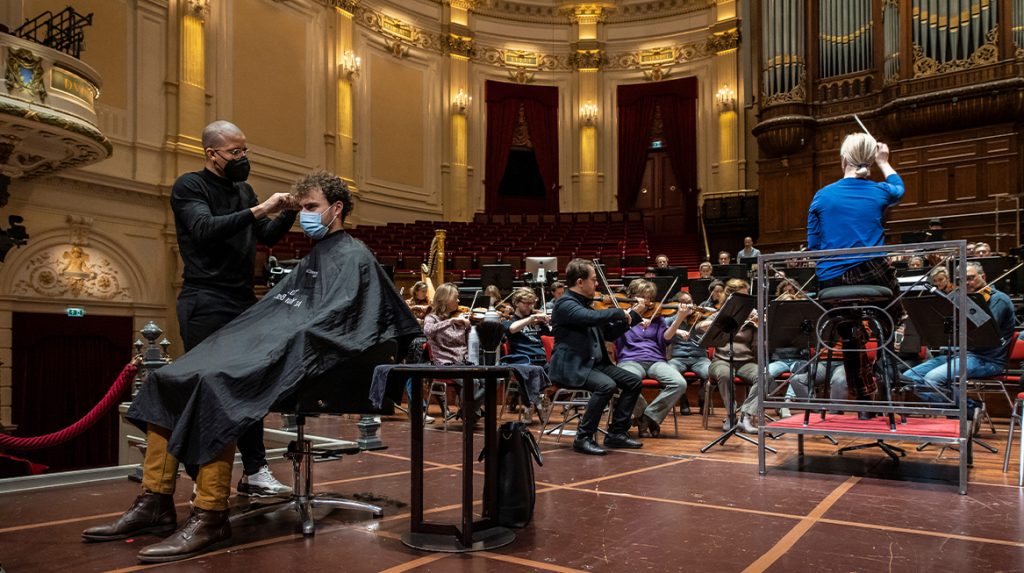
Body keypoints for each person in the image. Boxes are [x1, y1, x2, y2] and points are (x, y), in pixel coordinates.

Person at [83, 171, 421, 562]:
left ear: (337, 208)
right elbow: (280, 311)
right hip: (280, 349)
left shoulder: (354, 256)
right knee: (170, 377)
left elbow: (345, 323)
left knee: (216, 384)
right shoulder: (317, 258)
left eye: (312, 207)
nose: (306, 215)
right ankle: (154, 502)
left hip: (319, 368)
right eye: (303, 208)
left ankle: (210, 515)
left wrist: (286, 341)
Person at [170, 120, 295, 498]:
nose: (243, 158)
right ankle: (203, 478)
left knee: (249, 388)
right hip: (204, 299)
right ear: (212, 153)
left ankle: (255, 471)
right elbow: (205, 228)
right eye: (235, 152)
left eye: (245, 151)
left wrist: (287, 211)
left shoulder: (244, 190)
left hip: (241, 301)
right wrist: (261, 208)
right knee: (208, 389)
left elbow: (267, 237)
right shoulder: (190, 186)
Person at [807, 132, 904, 410]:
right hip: (873, 275)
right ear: (870, 161)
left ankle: (863, 390)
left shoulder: (822, 196)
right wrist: (885, 162)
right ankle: (891, 342)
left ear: (843, 160)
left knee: (849, 332)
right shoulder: (879, 191)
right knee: (893, 315)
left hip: (831, 281)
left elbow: (814, 246)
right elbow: (899, 188)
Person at [549, 258, 646, 455]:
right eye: (594, 279)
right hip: (573, 366)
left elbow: (608, 334)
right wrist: (619, 312)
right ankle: (583, 437)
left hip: (594, 363)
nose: (596, 284)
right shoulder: (565, 304)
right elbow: (589, 318)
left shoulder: (587, 305)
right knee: (606, 385)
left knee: (633, 382)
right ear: (580, 282)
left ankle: (616, 433)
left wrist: (634, 316)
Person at [903, 261, 1015, 415]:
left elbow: (983, 334)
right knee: (908, 378)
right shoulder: (958, 297)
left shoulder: (998, 299)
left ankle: (964, 413)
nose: (966, 283)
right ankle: (969, 408)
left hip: (986, 359)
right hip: (957, 354)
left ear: (983, 276)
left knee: (933, 379)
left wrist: (966, 306)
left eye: (970, 278)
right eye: (961, 280)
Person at [613, 279, 691, 437]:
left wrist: (679, 318)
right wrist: (632, 317)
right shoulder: (621, 314)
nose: (647, 302)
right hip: (630, 360)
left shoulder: (658, 317)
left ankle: (649, 417)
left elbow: (666, 339)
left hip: (656, 360)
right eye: (642, 296)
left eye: (649, 297)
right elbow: (613, 335)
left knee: (679, 383)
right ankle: (642, 415)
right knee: (624, 382)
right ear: (632, 296)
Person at [699, 278, 763, 433]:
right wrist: (727, 321)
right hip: (721, 360)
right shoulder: (722, 314)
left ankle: (745, 416)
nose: (747, 301)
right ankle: (731, 415)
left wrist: (760, 326)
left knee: (764, 377)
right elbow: (700, 327)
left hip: (746, 361)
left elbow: (756, 348)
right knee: (725, 375)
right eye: (742, 297)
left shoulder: (752, 317)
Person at [667, 291, 712, 416]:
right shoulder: (671, 319)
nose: (689, 306)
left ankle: (703, 399)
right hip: (678, 358)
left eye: (690, 302)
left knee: (710, 373)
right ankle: (683, 400)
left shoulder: (700, 318)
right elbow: (661, 329)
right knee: (671, 372)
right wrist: (676, 330)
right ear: (678, 304)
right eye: (685, 303)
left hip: (700, 358)